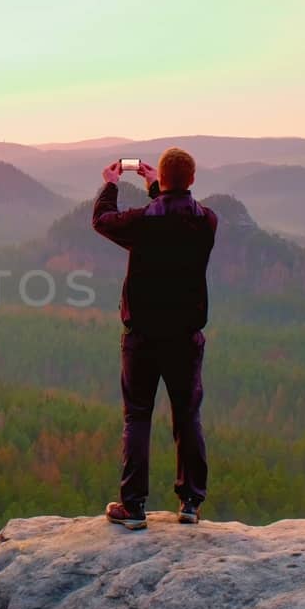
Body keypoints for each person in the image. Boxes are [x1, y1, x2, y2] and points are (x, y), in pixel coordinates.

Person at [91, 148, 218, 530]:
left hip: (142, 338)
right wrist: (156, 188)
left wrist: (110, 185)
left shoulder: (144, 223)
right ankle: (191, 503)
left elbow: (102, 220)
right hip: (185, 338)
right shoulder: (207, 222)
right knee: (187, 415)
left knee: (138, 417)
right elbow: (174, 217)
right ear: (193, 180)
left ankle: (133, 507)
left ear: (162, 179)